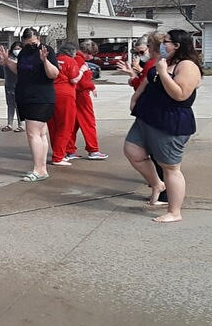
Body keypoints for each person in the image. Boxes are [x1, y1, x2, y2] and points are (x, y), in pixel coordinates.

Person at [124, 29, 203, 223]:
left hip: (169, 121)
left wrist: (162, 72)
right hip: (146, 117)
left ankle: (174, 211)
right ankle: (157, 184)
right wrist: (136, 97)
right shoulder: (164, 61)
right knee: (133, 151)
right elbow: (148, 80)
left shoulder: (187, 66)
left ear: (177, 45)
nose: (161, 45)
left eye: (166, 41)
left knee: (170, 167)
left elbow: (180, 94)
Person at [0, 29, 59, 181]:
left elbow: (54, 74)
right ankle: (42, 168)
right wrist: (7, 61)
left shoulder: (46, 50)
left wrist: (45, 61)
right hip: (25, 96)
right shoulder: (24, 53)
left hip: (41, 97)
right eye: (27, 43)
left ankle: (38, 169)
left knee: (33, 133)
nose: (30, 46)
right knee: (41, 133)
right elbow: (20, 71)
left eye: (33, 43)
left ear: (38, 38)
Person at [119, 32, 167, 202]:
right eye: (137, 52)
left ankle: (162, 189)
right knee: (147, 152)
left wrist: (133, 77)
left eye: (142, 51)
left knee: (158, 156)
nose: (140, 55)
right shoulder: (154, 64)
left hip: (153, 114)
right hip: (150, 112)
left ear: (152, 48)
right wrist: (134, 74)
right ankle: (158, 185)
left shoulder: (155, 64)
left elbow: (142, 85)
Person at [67, 40, 108, 160]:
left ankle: (69, 150)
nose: (93, 57)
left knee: (73, 124)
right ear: (88, 52)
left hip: (74, 94)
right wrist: (92, 86)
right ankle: (93, 150)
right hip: (82, 95)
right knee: (88, 122)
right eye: (92, 54)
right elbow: (82, 81)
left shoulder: (74, 58)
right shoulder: (80, 61)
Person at [48, 41, 84, 167]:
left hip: (50, 93)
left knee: (53, 126)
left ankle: (58, 152)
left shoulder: (53, 60)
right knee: (65, 126)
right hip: (65, 95)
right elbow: (74, 79)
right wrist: (82, 71)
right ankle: (58, 156)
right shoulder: (70, 61)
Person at [1, 40, 23, 132]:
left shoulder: (23, 58)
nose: (16, 51)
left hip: (20, 85)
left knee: (19, 105)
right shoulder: (8, 57)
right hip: (9, 85)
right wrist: (4, 59)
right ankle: (9, 124)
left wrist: (7, 60)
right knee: (10, 104)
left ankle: (21, 124)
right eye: (15, 49)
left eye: (19, 49)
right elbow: (1, 63)